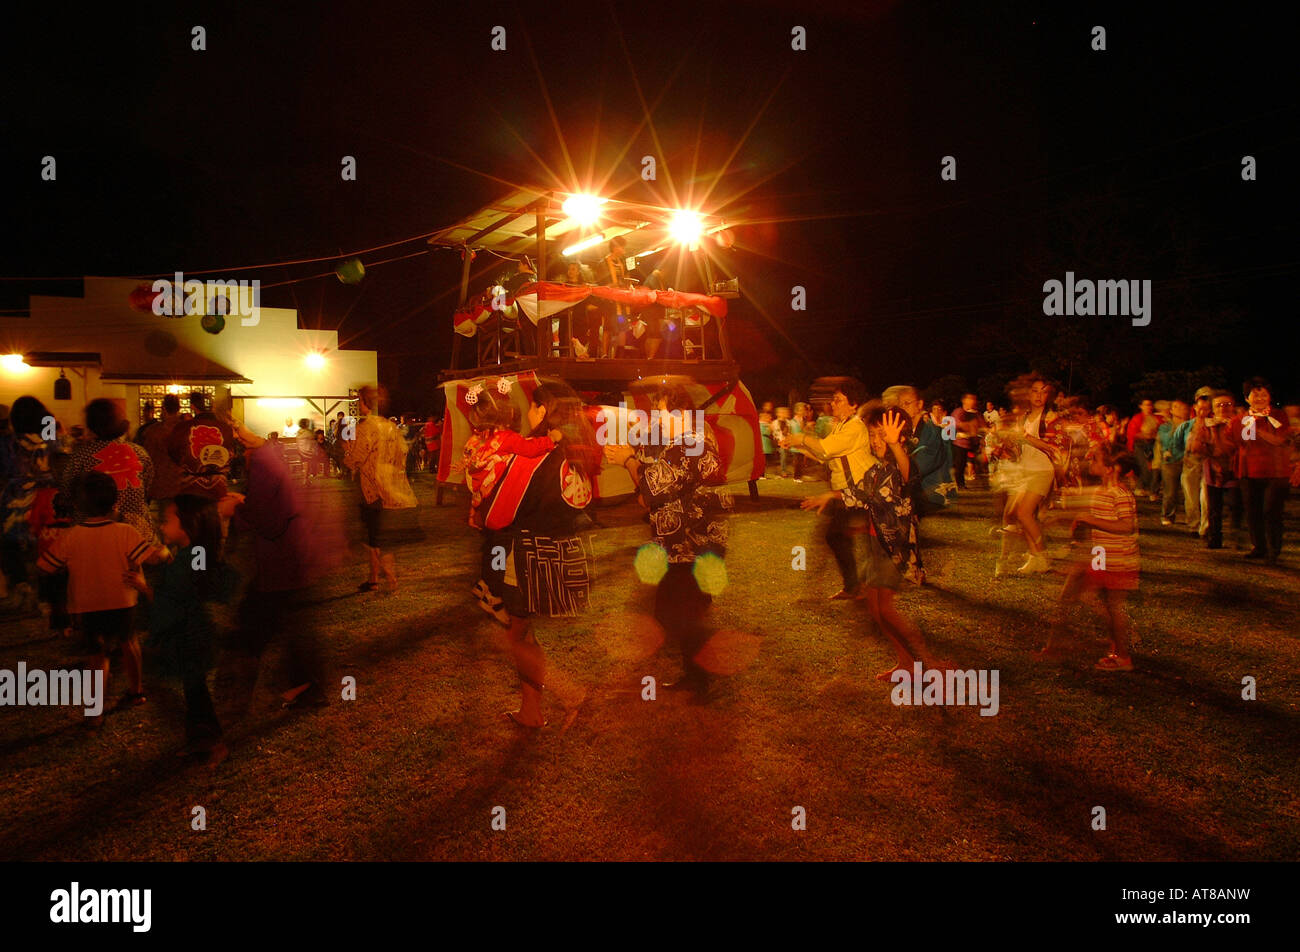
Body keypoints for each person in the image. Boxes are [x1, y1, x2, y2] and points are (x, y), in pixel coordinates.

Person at [483, 381, 601, 726]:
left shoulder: (534, 455)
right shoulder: (580, 450)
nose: (529, 414)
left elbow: (497, 513)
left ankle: (550, 702)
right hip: (564, 550)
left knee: (513, 635)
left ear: (544, 410)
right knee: (523, 631)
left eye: (533, 406)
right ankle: (533, 709)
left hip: (529, 553)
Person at [605, 382, 732, 702]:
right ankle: (696, 675)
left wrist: (628, 460)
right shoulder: (679, 443)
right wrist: (636, 463)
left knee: (680, 613)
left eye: (661, 413)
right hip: (681, 544)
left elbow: (651, 483)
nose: (658, 421)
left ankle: (703, 677)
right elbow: (649, 494)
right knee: (674, 611)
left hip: (696, 542)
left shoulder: (692, 443)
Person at [37, 472, 163, 724]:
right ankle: (136, 692)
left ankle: (95, 712)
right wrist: (167, 550)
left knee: (97, 654)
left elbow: (45, 566)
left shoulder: (71, 536)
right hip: (123, 600)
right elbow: (153, 557)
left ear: (78, 506)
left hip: (86, 604)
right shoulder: (125, 531)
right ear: (115, 503)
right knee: (129, 642)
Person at [227, 418, 334, 711]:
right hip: (294, 555)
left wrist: (237, 509)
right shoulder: (274, 456)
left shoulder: (265, 466)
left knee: (268, 624)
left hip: (283, 558)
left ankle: (247, 693)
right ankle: (304, 686)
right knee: (291, 623)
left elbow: (267, 518)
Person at [128, 495, 237, 765]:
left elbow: (181, 593)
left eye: (166, 520)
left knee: (194, 691)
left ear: (189, 524)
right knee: (194, 689)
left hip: (189, 635)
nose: (162, 526)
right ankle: (201, 739)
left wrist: (144, 587)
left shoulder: (195, 555)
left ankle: (211, 742)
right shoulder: (194, 553)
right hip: (190, 633)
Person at [837, 405, 943, 678]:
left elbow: (908, 476)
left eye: (881, 435)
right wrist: (830, 498)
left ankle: (924, 662)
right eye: (873, 435)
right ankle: (906, 661)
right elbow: (860, 495)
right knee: (875, 608)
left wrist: (895, 445)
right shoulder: (877, 469)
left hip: (894, 548)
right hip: (877, 544)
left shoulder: (899, 464)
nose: (876, 441)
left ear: (901, 437)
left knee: (885, 608)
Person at [458, 382, 564, 624]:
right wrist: (552, 439)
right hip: (498, 507)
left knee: (489, 546)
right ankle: (493, 597)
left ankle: (482, 583)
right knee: (499, 551)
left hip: (482, 503)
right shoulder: (506, 438)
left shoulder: (477, 439)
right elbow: (530, 448)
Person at [1035, 443, 1140, 671]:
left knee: (1112, 607)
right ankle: (1062, 645)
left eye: (1096, 460)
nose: (1091, 463)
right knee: (1093, 601)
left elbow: (1126, 525)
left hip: (1118, 559)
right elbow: (1094, 515)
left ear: (1112, 468)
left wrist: (1089, 520)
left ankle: (1122, 656)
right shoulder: (1102, 490)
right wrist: (1067, 520)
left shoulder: (1120, 494)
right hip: (1100, 555)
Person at [784, 379, 873, 599]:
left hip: (858, 491)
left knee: (840, 536)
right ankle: (855, 585)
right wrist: (799, 447)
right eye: (833, 399)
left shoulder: (854, 427)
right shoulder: (841, 425)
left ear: (853, 405)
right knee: (838, 536)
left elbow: (825, 448)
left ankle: (861, 584)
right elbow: (826, 455)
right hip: (845, 492)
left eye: (839, 400)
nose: (834, 404)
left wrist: (802, 438)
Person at [343, 386, 417, 593]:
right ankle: (374, 578)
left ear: (366, 402)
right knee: (377, 537)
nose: (358, 404)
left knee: (374, 538)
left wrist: (345, 451)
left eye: (359, 400)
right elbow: (402, 453)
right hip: (389, 489)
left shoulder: (366, 427)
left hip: (371, 489)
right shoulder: (390, 427)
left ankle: (388, 579)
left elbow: (355, 458)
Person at [1, 396, 65, 614]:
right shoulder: (48, 436)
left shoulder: (7, 442)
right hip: (47, 500)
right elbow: (57, 448)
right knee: (44, 547)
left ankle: (21, 586)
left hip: (15, 502)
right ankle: (45, 596)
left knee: (10, 547)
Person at [62, 398, 155, 543]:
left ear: (91, 424)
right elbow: (147, 488)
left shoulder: (81, 456)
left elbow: (68, 491)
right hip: (137, 530)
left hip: (92, 531)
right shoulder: (139, 452)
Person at [1230, 377, 1291, 563]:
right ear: (1247, 398)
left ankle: (1274, 549)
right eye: (1254, 395)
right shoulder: (1240, 418)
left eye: (1263, 394)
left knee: (1272, 510)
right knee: (1252, 511)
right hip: (1248, 471)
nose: (1259, 399)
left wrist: (1258, 428)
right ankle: (1259, 546)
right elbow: (1238, 443)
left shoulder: (1278, 416)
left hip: (1276, 471)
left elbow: (1280, 440)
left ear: (1270, 397)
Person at [1189, 390, 1243, 550]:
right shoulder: (1206, 424)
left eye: (1227, 404)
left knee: (1236, 505)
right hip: (1213, 470)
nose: (1223, 408)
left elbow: (1247, 444)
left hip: (1235, 469)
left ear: (1233, 406)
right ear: (1213, 408)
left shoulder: (1242, 422)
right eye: (1218, 405)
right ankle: (1215, 538)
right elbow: (1195, 447)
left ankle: (1237, 535)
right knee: (1214, 507)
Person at [167, 391, 236, 500]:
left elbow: (173, 451)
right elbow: (231, 453)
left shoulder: (183, 428)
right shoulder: (225, 428)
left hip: (191, 487)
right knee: (216, 515)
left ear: (192, 406)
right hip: (218, 485)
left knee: (193, 515)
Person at [138, 394, 184, 516]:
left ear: (163, 409)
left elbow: (147, 457)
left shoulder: (153, 432)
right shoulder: (186, 429)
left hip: (162, 483)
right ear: (179, 408)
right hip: (184, 483)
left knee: (165, 519)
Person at [1177, 388, 1213, 537]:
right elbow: (1176, 444)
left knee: (1205, 496)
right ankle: (1193, 525)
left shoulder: (1213, 425)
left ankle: (1205, 527)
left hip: (1207, 461)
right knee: (1190, 496)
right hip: (1190, 461)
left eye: (1206, 408)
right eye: (1200, 407)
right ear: (1195, 407)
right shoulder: (1186, 426)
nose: (1202, 411)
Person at [1155, 400, 1189, 525]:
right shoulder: (1166, 426)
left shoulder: (1191, 425)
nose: (1179, 409)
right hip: (1171, 461)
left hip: (1189, 461)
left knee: (1190, 492)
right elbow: (1166, 441)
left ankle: (1192, 516)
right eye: (1176, 407)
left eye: (1182, 407)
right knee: (1170, 491)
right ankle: (1167, 515)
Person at [952, 393, 981, 488]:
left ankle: (962, 483)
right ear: (964, 401)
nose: (973, 401)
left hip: (969, 443)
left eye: (974, 399)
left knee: (966, 463)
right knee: (960, 464)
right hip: (959, 443)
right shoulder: (959, 412)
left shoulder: (974, 413)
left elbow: (980, 425)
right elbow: (957, 424)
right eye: (970, 399)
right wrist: (971, 426)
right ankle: (960, 484)